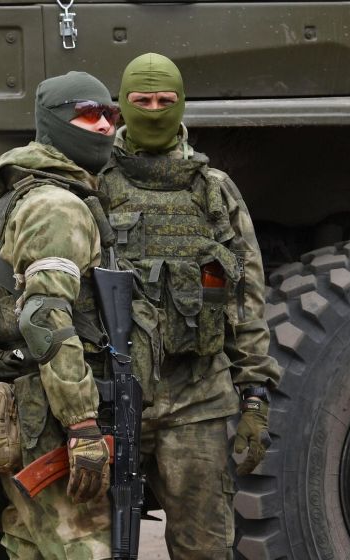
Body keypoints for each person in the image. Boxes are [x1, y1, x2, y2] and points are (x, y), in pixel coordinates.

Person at [99, 53, 282, 559]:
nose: (154, 111)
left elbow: (246, 299)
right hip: (111, 399)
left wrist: (254, 396)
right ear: (121, 105)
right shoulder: (95, 186)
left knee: (204, 547)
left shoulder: (214, 191)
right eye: (142, 100)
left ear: (182, 103)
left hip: (197, 398)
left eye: (165, 100)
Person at [0, 71, 119, 560]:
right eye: (88, 114)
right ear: (54, 123)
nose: (105, 126)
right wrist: (82, 424)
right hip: (48, 419)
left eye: (110, 114)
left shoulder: (21, 193)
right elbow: (44, 316)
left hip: (20, 408)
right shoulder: (57, 205)